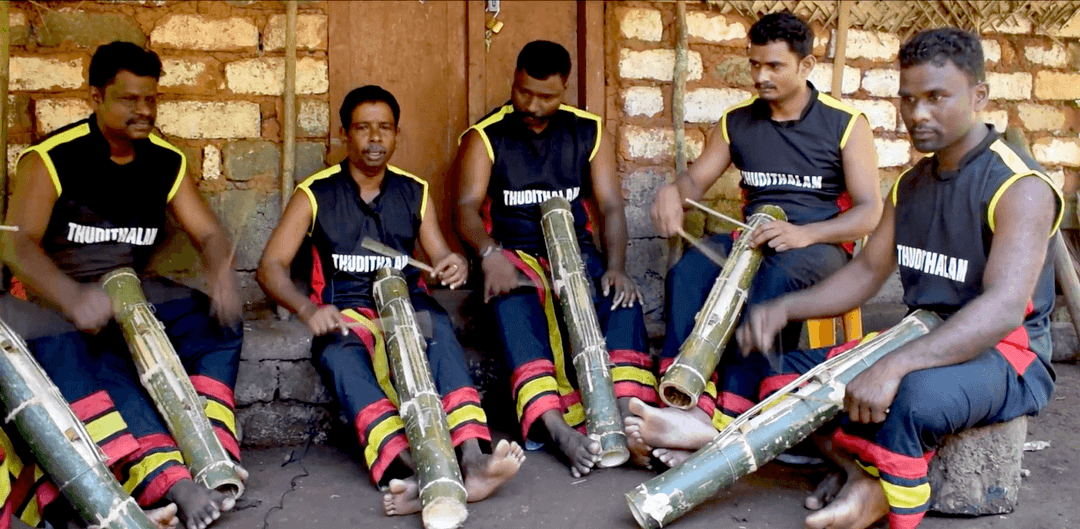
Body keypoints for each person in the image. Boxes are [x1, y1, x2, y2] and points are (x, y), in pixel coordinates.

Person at [737, 27, 1060, 529]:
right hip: (919, 336)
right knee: (787, 377)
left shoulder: (1019, 186)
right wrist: (783, 309)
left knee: (912, 397)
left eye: (936, 97)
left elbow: (1001, 310)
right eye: (907, 99)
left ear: (979, 96)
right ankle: (862, 476)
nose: (917, 114)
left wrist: (894, 366)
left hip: (1008, 354)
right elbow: (867, 271)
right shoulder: (910, 184)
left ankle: (876, 487)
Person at [2, 41, 245, 529]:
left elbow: (209, 233)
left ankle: (210, 447)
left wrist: (220, 272)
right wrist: (72, 298)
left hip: (130, 292)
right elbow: (15, 244)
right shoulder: (51, 159)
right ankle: (164, 479)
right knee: (99, 362)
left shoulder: (164, 161)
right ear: (96, 98)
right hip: (56, 299)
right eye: (130, 99)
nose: (145, 110)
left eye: (151, 99)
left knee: (219, 324)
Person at [629, 11, 881, 467]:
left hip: (819, 246)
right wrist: (672, 195)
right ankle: (683, 400)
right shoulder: (737, 122)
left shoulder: (845, 123)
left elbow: (869, 212)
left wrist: (805, 233)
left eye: (775, 66)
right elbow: (694, 182)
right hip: (753, 239)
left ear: (806, 66)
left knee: (769, 286)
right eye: (755, 64)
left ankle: (735, 418)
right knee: (689, 272)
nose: (761, 76)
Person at [257, 85, 523, 517]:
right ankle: (417, 471)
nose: (375, 138)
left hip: (409, 306)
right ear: (345, 134)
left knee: (443, 339)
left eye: (384, 128)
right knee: (342, 361)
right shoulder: (315, 194)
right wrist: (308, 309)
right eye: (363, 128)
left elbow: (440, 256)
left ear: (397, 134)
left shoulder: (413, 190)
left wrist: (453, 265)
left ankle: (473, 458)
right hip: (346, 313)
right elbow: (270, 267)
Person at [456, 40, 658, 477]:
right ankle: (557, 428)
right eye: (524, 92)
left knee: (622, 301)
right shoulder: (486, 136)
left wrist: (616, 267)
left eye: (546, 96)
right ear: (514, 81)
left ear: (564, 87)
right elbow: (466, 207)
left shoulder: (588, 131)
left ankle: (628, 416)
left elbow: (610, 207)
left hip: (577, 254)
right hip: (514, 258)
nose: (532, 105)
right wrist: (489, 253)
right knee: (512, 308)